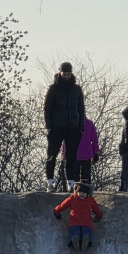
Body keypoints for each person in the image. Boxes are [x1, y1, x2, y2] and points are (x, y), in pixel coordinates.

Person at [44, 62, 85, 191]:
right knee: (52, 155)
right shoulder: (53, 88)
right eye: (64, 74)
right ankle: (50, 182)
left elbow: (81, 109)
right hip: (57, 126)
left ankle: (71, 184)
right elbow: (47, 108)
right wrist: (48, 125)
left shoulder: (77, 89)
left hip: (73, 127)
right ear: (60, 73)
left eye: (68, 74)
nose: (66, 76)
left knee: (71, 156)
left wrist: (81, 126)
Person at [54, 183, 104, 250]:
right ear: (76, 192)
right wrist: (99, 216)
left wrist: (56, 211)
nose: (82, 194)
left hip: (74, 221)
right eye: (80, 192)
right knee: (87, 231)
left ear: (87, 193)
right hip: (87, 222)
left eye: (84, 193)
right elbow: (96, 209)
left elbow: (63, 205)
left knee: (74, 231)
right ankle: (86, 240)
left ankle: (75, 239)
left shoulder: (72, 198)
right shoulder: (90, 200)